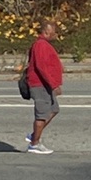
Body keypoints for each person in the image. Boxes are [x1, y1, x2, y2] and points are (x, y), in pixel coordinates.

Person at [24, 20, 64, 154]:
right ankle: (34, 144)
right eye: (54, 32)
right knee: (41, 114)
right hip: (40, 85)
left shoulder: (44, 45)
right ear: (46, 32)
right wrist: (53, 84)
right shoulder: (40, 45)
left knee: (54, 109)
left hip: (45, 85)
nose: (56, 35)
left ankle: (35, 135)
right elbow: (41, 67)